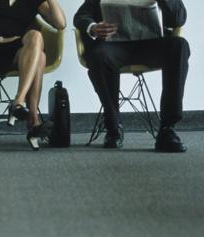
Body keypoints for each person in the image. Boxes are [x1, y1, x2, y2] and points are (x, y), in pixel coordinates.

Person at [74, 0, 190, 152]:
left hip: (151, 45)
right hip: (115, 47)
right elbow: (81, 16)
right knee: (98, 56)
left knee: (179, 46)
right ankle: (113, 126)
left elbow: (179, 19)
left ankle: (167, 129)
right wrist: (93, 28)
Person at [0, 0, 66, 150]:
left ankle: (20, 103)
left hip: (16, 48)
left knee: (36, 39)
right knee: (40, 57)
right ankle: (34, 122)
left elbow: (60, 24)